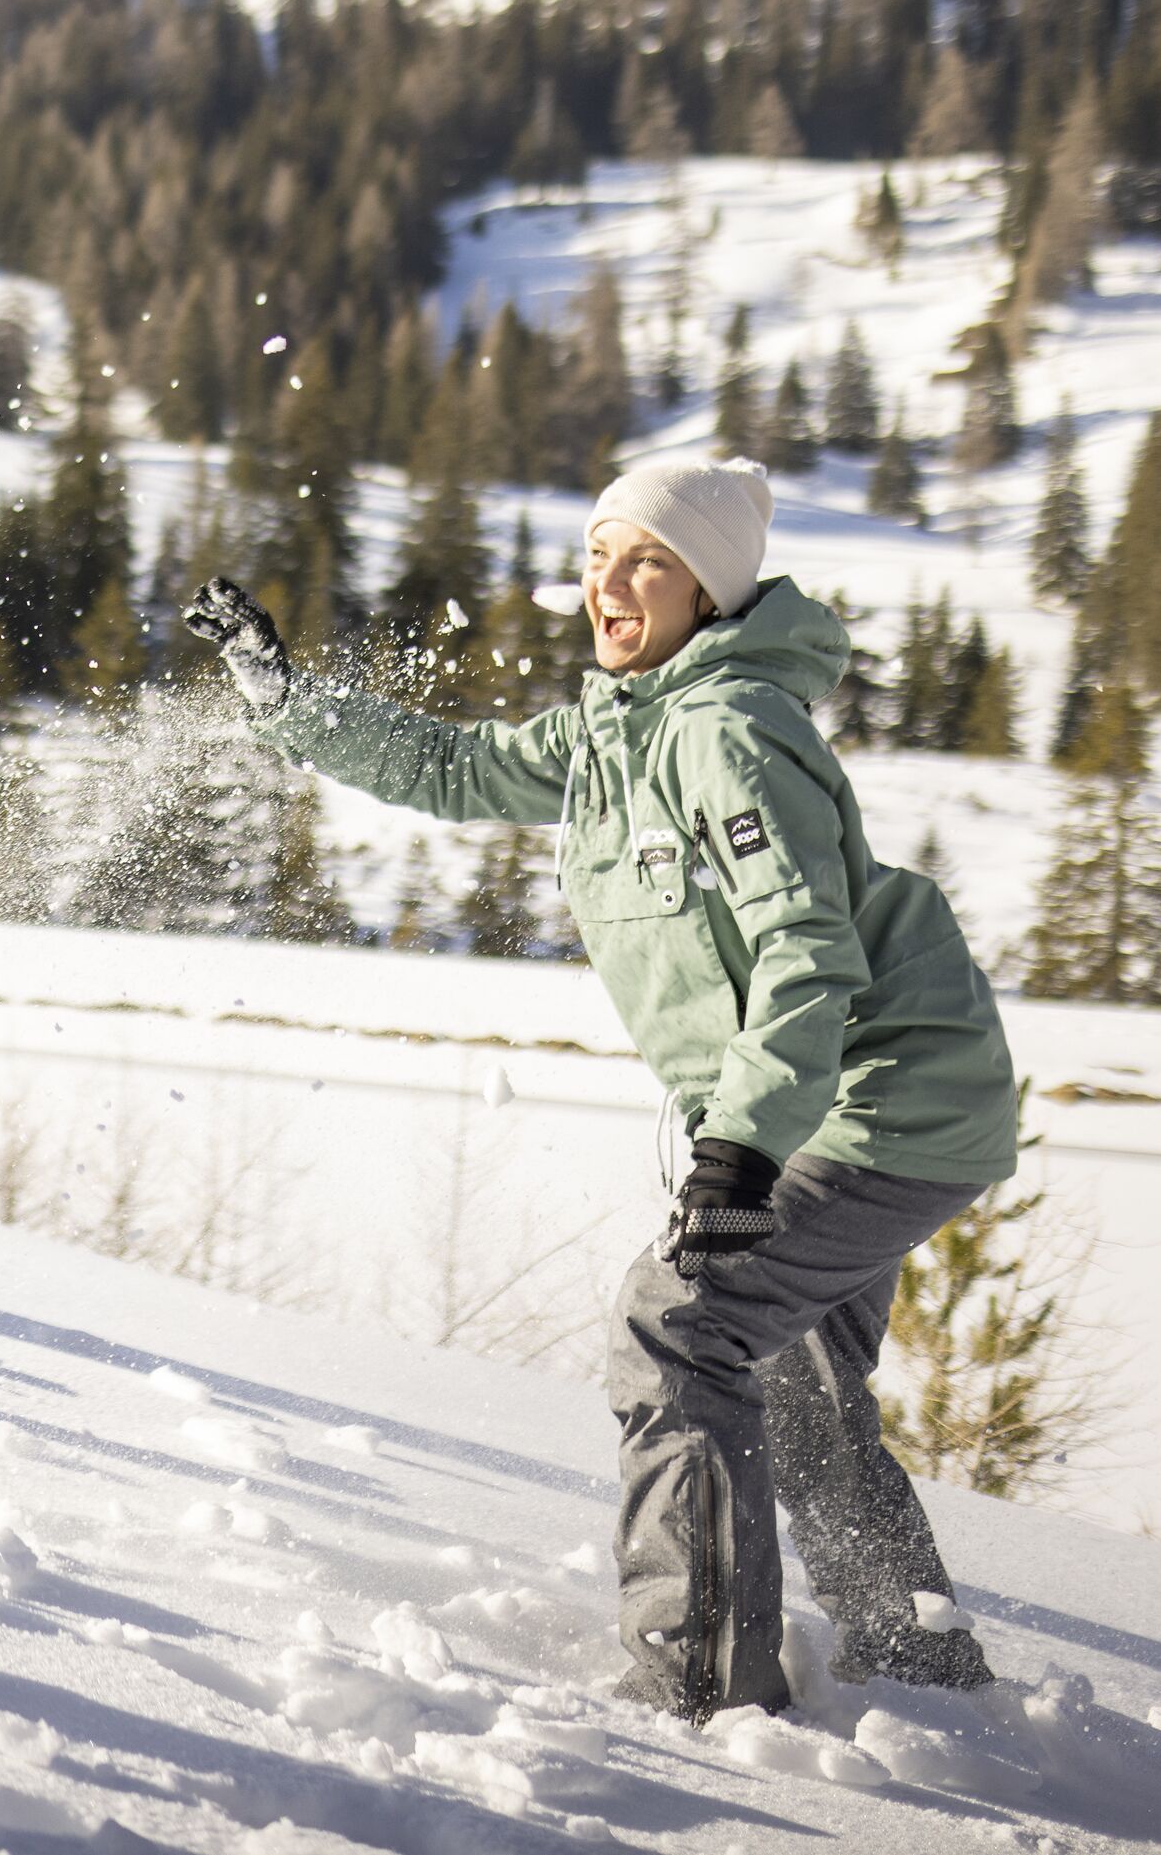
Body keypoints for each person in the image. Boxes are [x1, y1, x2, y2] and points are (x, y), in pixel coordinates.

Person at [184, 457, 1021, 1720]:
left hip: (872, 1098)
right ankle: (925, 1671)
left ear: (709, 591)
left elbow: (806, 947)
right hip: (846, 1100)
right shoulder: (613, 734)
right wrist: (286, 701)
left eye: (646, 561)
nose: (608, 586)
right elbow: (454, 768)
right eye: (596, 555)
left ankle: (698, 1681)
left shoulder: (726, 728)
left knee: (677, 1325)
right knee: (793, 1383)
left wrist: (737, 1150)